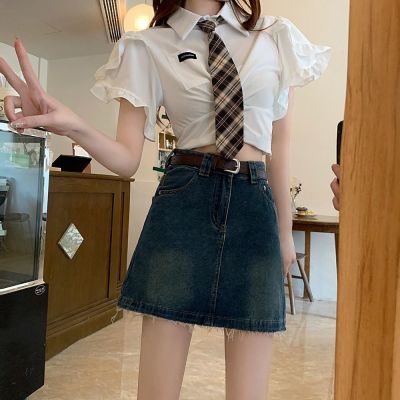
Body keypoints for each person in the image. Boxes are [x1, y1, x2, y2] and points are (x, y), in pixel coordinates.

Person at [0, 0, 331, 398]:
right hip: (183, 200)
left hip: (253, 204)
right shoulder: (147, 46)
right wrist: (71, 124)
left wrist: (284, 231)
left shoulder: (274, 36)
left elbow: (280, 143)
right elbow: (126, 158)